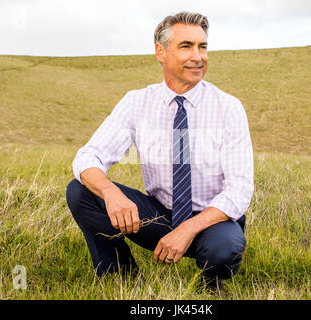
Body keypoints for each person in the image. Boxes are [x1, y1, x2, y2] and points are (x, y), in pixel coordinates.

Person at [66, 11, 254, 293]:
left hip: (211, 220)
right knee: (81, 191)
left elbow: (239, 190)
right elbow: (88, 156)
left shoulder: (228, 107)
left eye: (202, 47)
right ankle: (121, 275)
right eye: (186, 46)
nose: (198, 56)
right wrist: (111, 193)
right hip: (159, 215)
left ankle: (210, 280)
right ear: (161, 52)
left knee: (224, 249)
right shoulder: (137, 102)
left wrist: (188, 229)